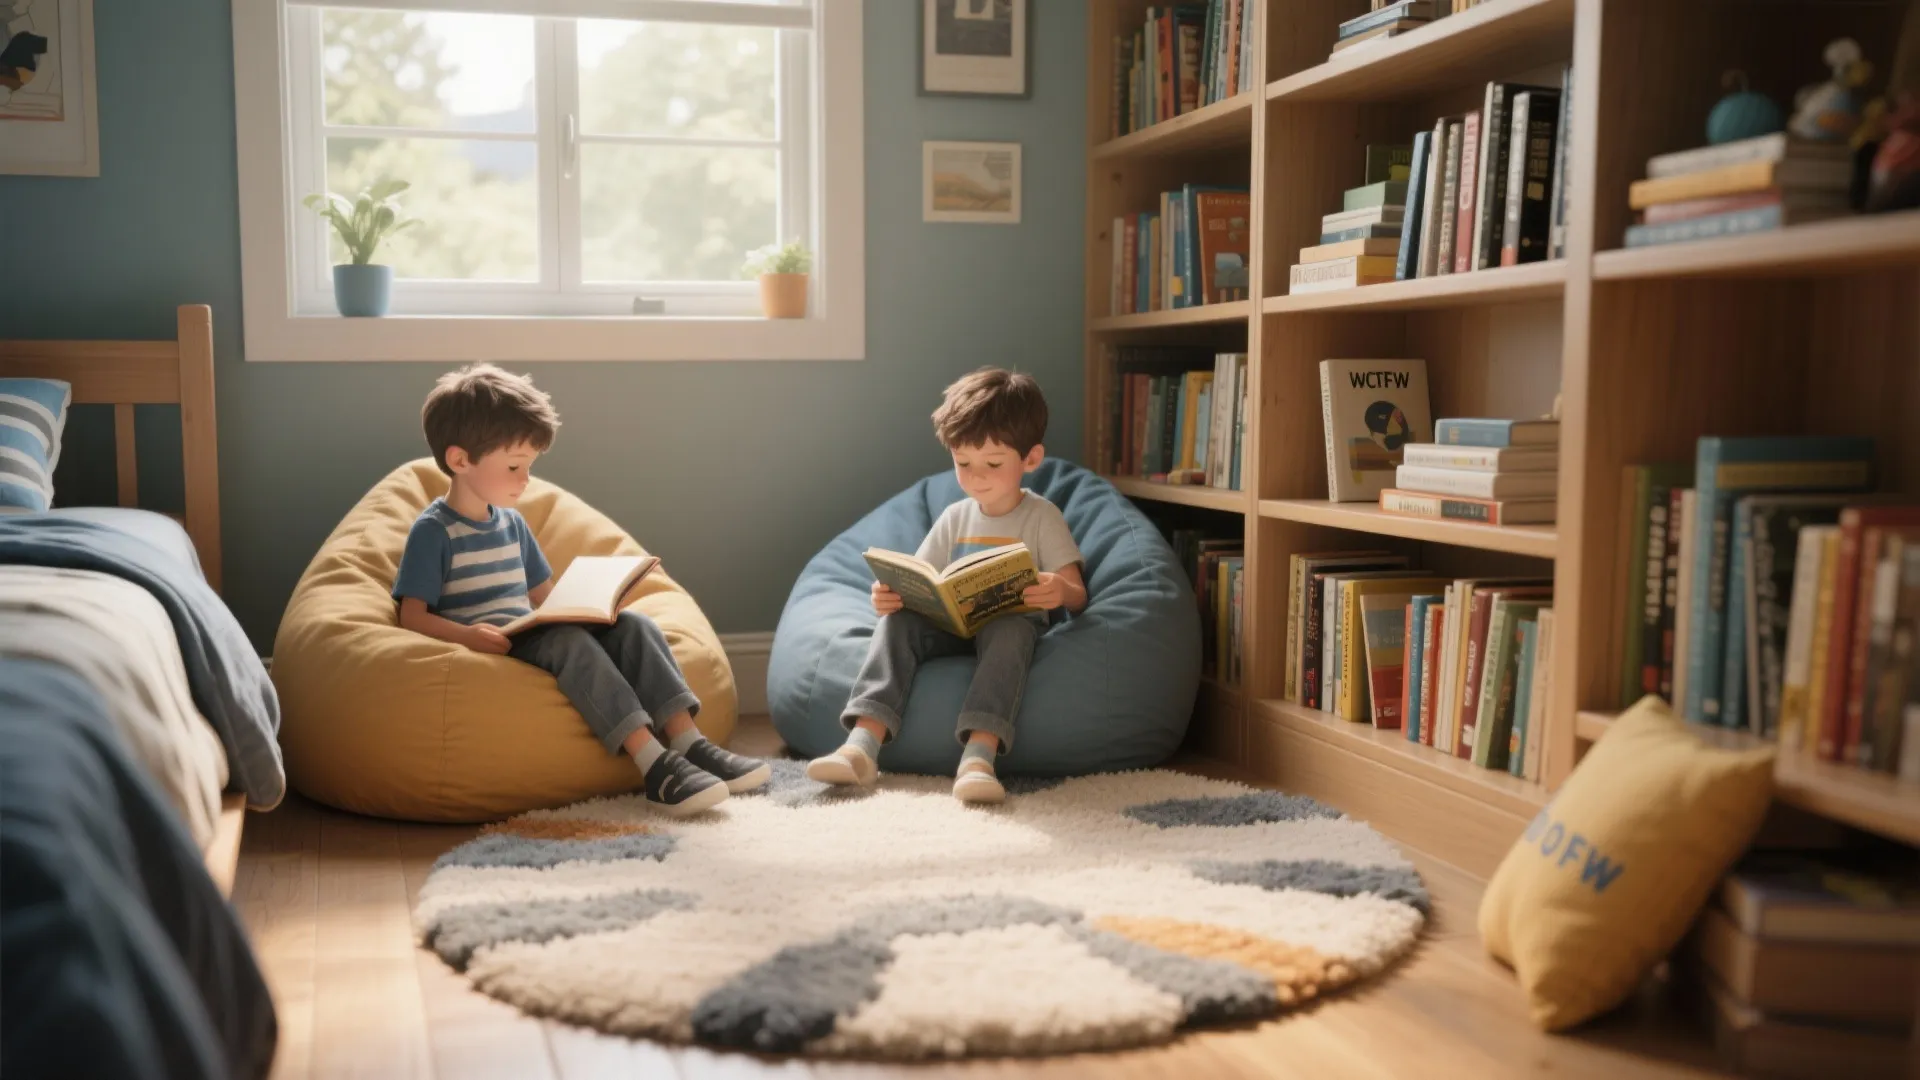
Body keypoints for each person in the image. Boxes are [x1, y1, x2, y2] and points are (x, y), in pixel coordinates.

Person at [390, 363, 767, 816]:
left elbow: (545, 597)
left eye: (528, 466)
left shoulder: (512, 523)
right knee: (568, 643)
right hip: (494, 644)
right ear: (459, 461)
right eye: (513, 466)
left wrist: (596, 608)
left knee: (635, 626)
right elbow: (411, 616)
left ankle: (689, 741)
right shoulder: (434, 532)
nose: (525, 480)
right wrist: (470, 637)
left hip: (533, 630)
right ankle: (654, 765)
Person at [807, 367, 1087, 804]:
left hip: (1009, 625)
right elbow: (921, 576)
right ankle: (861, 746)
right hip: (952, 625)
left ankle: (979, 758)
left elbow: (1075, 590)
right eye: (963, 463)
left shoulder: (1041, 517)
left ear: (1030, 460)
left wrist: (1058, 590)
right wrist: (892, 595)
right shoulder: (955, 516)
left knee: (1011, 631)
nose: (976, 477)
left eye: (993, 464)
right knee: (898, 624)